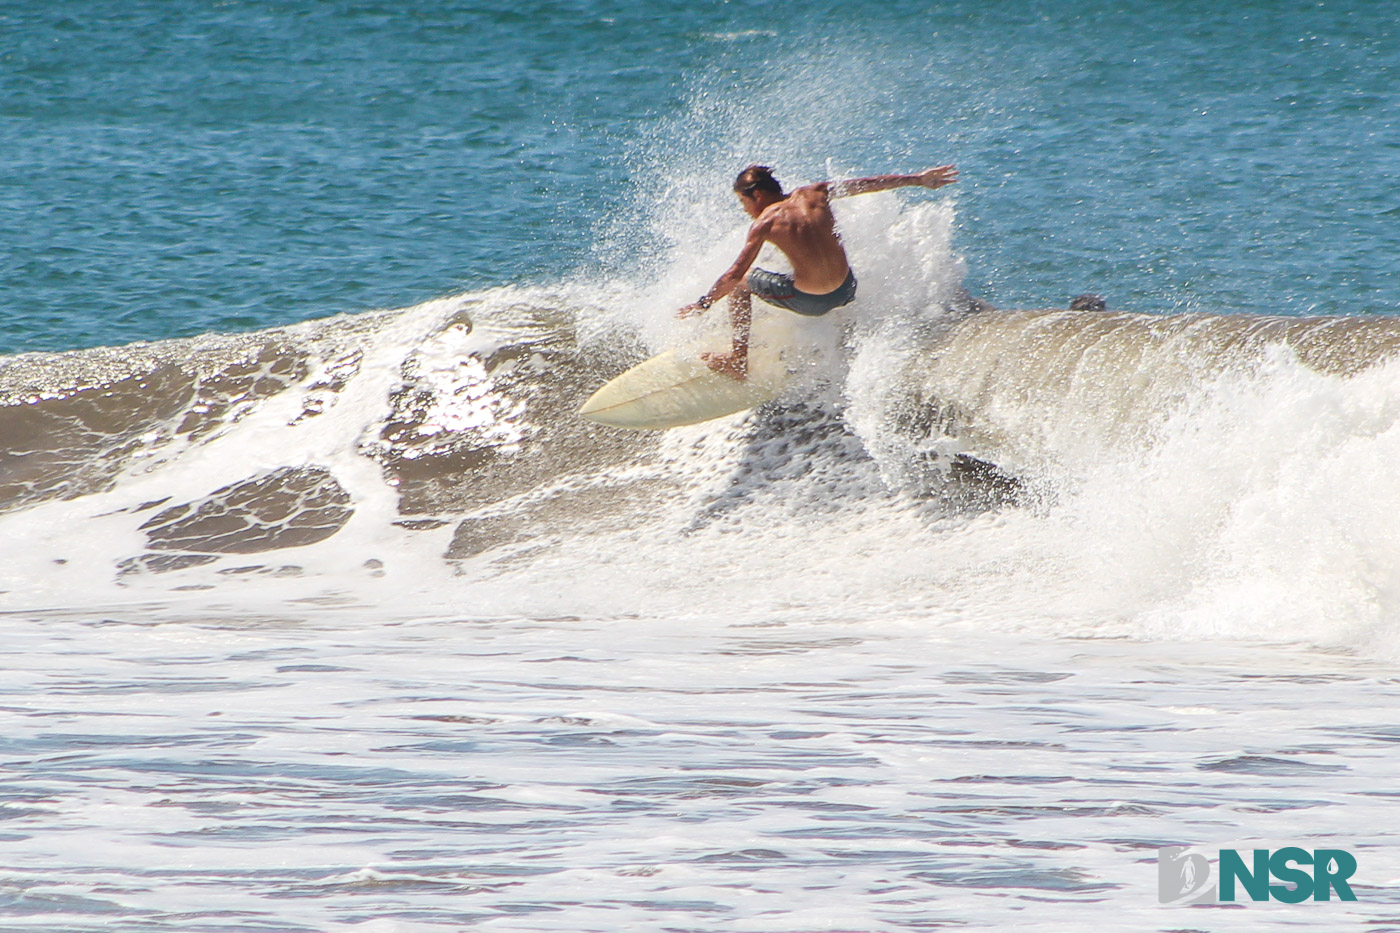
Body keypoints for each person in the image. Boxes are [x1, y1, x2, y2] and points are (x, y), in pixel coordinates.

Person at [677, 163, 959, 380]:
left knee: (742, 285)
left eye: (744, 202)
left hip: (813, 302)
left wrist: (702, 305)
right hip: (848, 290)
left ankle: (738, 360)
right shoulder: (816, 192)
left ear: (757, 195)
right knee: (793, 266)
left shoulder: (765, 223)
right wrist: (919, 179)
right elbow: (868, 184)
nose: (746, 210)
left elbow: (733, 276)